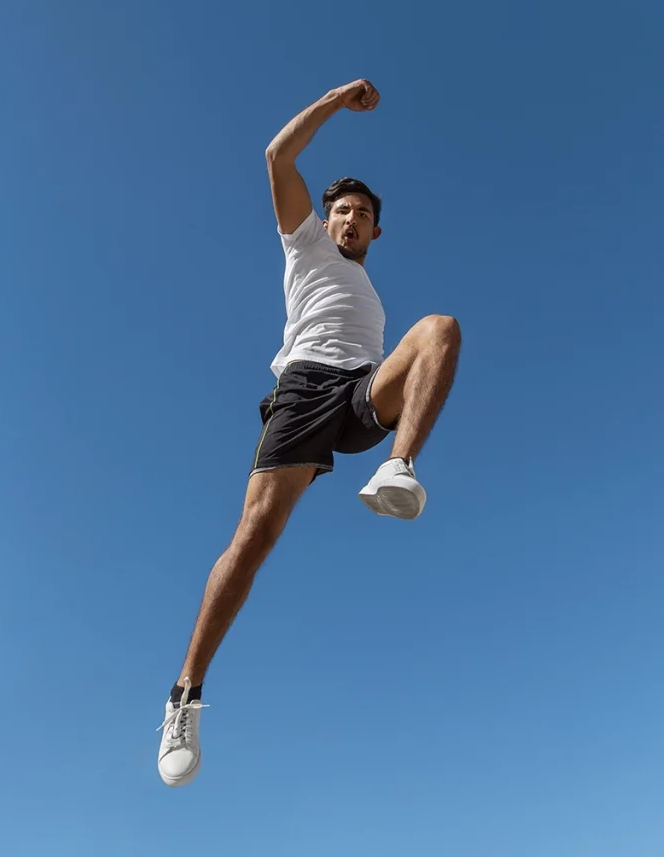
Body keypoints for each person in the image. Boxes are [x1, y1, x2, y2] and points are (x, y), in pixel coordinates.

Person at [157, 79, 461, 787]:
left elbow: (414, 349)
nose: (350, 220)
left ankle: (399, 466)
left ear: (376, 232)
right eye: (342, 211)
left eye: (361, 215)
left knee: (438, 329)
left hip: (359, 393)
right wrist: (332, 101)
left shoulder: (372, 293)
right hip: (302, 388)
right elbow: (276, 155)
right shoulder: (304, 246)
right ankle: (184, 696)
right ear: (325, 222)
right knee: (255, 536)